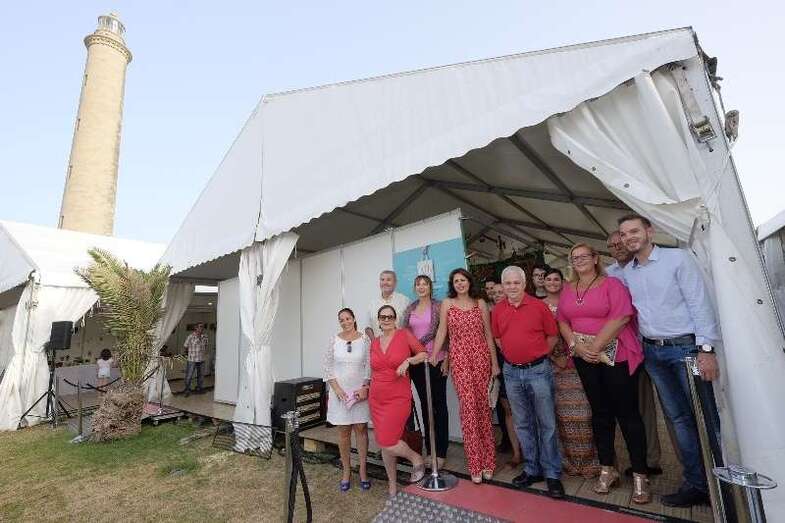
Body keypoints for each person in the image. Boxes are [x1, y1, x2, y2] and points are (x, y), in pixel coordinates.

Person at [619, 214, 721, 508]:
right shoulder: (630, 272)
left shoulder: (678, 259)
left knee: (705, 417)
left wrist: (705, 349)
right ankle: (697, 484)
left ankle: (721, 487)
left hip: (686, 351)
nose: (629, 238)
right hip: (653, 354)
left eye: (634, 231)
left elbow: (699, 303)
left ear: (649, 231)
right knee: (678, 420)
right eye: (624, 234)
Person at [557, 243, 650, 504]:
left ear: (596, 258)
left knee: (628, 414)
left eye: (585, 256)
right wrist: (576, 346)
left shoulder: (612, 285)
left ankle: (641, 474)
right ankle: (608, 469)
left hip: (614, 357)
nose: (580, 260)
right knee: (600, 414)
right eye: (575, 257)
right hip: (585, 358)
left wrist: (594, 347)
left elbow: (622, 316)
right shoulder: (568, 289)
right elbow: (562, 320)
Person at [492, 265, 565, 499]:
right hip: (512, 373)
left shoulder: (538, 306)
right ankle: (533, 469)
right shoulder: (498, 310)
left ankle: (552, 473)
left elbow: (553, 335)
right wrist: (514, 356)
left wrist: (539, 354)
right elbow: (497, 337)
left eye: (516, 283)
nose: (512, 287)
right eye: (508, 283)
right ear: (502, 286)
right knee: (522, 423)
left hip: (538, 371)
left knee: (547, 423)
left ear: (524, 285)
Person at [431, 268, 499, 484]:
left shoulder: (480, 303)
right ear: (453, 284)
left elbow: (488, 334)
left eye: (463, 280)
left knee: (483, 409)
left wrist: (495, 364)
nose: (460, 284)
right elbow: (442, 332)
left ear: (469, 282)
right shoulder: (447, 304)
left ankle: (489, 462)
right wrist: (434, 355)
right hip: (460, 360)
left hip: (481, 358)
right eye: (456, 281)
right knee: (468, 408)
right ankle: (475, 464)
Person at [607, 230, 665, 476]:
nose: (616, 247)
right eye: (611, 245)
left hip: (656, 340)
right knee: (641, 408)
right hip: (630, 349)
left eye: (619, 242)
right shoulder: (608, 275)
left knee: (674, 412)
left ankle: (695, 471)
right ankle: (648, 460)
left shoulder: (644, 267)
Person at [541, 268, 600, 479]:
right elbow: (538, 336)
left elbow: (583, 327)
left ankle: (591, 462)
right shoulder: (539, 305)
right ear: (543, 282)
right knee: (562, 417)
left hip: (578, 361)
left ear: (562, 281)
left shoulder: (572, 300)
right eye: (548, 279)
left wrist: (573, 354)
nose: (553, 282)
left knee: (584, 414)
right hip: (553, 365)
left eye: (556, 279)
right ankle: (569, 462)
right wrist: (554, 358)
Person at [369, 305, 429, 498]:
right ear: (378, 320)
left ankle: (416, 458)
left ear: (395, 319)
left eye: (390, 317)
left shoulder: (404, 335)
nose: (386, 320)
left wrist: (408, 361)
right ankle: (392, 485)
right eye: (382, 317)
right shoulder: (375, 342)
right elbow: (373, 370)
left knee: (387, 442)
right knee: (385, 443)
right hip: (376, 398)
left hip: (398, 397)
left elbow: (423, 354)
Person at [401, 275, 449, 469]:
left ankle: (441, 451)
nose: (421, 287)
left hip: (436, 359)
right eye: (418, 284)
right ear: (415, 288)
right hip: (417, 362)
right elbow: (405, 334)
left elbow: (447, 333)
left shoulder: (439, 306)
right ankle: (430, 450)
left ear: (430, 287)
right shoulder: (410, 309)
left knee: (439, 405)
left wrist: (447, 359)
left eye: (425, 284)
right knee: (425, 404)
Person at [323, 308, 371, 492]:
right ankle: (346, 471)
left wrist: (365, 386)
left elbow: (369, 364)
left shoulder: (364, 339)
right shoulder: (334, 339)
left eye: (348, 318)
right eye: (341, 319)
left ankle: (363, 471)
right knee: (343, 432)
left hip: (359, 393)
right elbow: (327, 367)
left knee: (361, 430)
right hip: (340, 394)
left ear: (353, 319)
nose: (345, 322)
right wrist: (336, 390)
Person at [490, 282, 522, 468]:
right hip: (501, 367)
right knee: (508, 410)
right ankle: (517, 453)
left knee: (524, 411)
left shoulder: (517, 310)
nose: (497, 295)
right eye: (494, 293)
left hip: (520, 364)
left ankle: (529, 451)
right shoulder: (491, 314)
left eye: (500, 291)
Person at [365, 270, 410, 339]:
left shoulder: (405, 301)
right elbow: (368, 327)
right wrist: (374, 342)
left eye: (388, 280)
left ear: (395, 283)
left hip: (399, 344)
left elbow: (410, 326)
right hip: (378, 346)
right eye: (382, 280)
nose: (385, 283)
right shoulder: (372, 303)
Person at [182, 323, 208, 397]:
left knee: (201, 376)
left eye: (203, 327)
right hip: (192, 359)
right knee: (189, 375)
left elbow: (206, 346)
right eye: (200, 327)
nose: (202, 328)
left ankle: (199, 388)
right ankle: (187, 389)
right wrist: (189, 353)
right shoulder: (190, 336)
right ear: (196, 328)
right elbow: (185, 346)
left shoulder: (205, 337)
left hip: (201, 359)